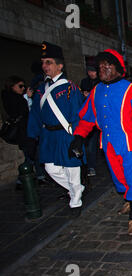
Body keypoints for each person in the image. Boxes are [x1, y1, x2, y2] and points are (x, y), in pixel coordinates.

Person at [69, 48, 132, 235]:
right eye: (100, 66)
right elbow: (87, 119)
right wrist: (78, 137)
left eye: (107, 66)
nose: (102, 69)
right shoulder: (96, 91)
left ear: (117, 69)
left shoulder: (130, 89)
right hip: (108, 144)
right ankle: (128, 199)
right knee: (118, 177)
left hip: (130, 143)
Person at [27, 41, 85, 214]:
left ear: (59, 65)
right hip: (48, 135)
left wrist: (77, 136)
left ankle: (75, 201)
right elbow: (36, 114)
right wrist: (32, 136)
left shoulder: (70, 88)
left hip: (66, 134)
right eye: (44, 63)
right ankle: (76, 189)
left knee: (71, 168)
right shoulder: (41, 90)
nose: (45, 66)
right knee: (50, 169)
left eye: (49, 62)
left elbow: (77, 114)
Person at [1, 76, 46, 187]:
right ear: (12, 86)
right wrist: (27, 98)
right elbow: (23, 111)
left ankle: (40, 176)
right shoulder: (12, 98)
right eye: (20, 86)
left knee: (34, 154)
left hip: (28, 130)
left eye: (24, 86)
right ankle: (21, 180)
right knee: (30, 155)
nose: (23, 88)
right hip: (24, 132)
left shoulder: (17, 97)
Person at [79, 64, 100, 177]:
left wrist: (90, 95)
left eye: (93, 71)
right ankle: (89, 166)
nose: (91, 73)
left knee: (94, 144)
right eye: (89, 71)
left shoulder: (100, 82)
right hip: (88, 115)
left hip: (98, 116)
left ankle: (92, 166)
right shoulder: (84, 81)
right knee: (89, 144)